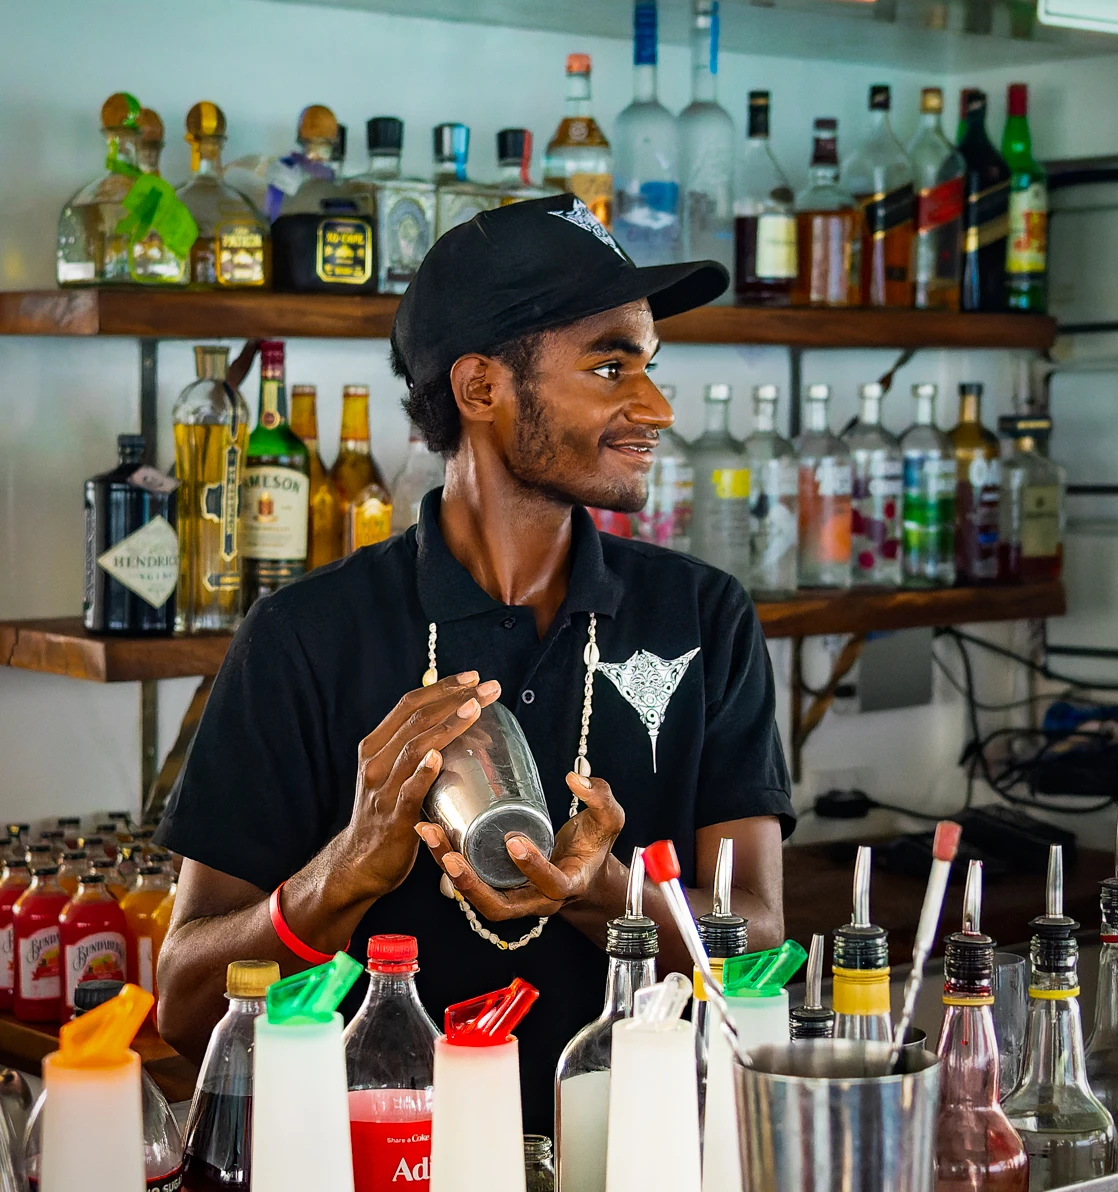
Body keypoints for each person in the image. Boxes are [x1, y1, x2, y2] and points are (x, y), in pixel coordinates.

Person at [156, 192, 794, 1131]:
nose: (655, 408)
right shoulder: (303, 635)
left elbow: (759, 948)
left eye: (650, 366)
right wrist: (348, 870)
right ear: (482, 388)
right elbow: (184, 1005)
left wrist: (603, 889)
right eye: (610, 365)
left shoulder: (701, 616)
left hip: (644, 1174)